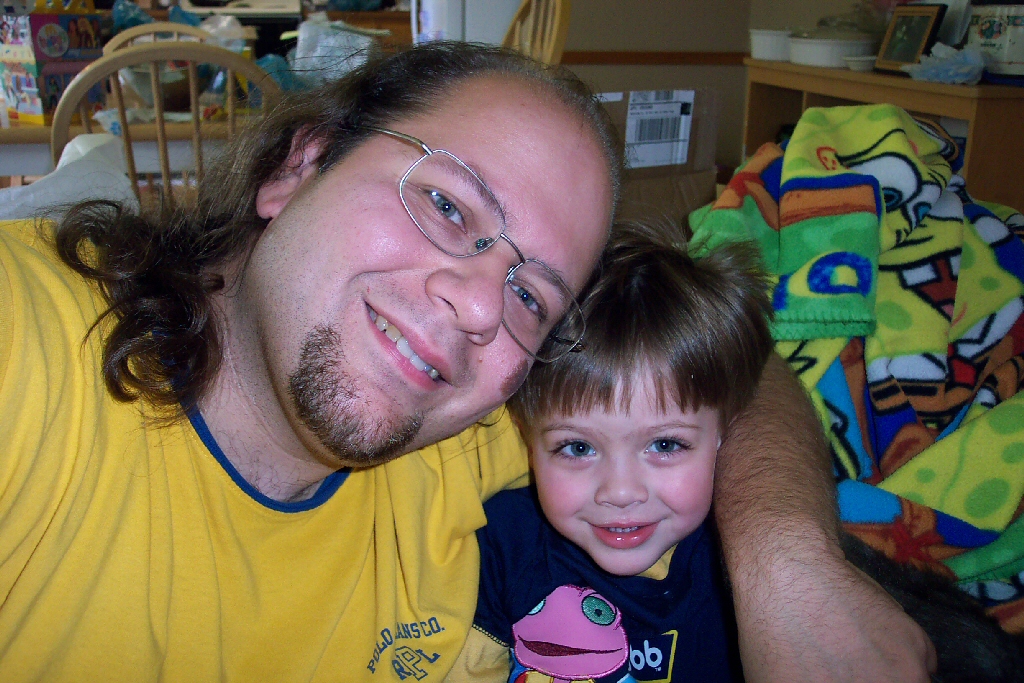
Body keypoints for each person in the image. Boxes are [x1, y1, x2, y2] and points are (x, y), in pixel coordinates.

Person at [0, 42, 934, 682]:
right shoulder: (33, 346)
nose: (484, 306)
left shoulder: (480, 426)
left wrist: (791, 567)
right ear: (300, 166)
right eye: (449, 205)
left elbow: (732, 368)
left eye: (532, 296)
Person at [448, 224, 774, 682]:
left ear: (724, 433)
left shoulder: (747, 561)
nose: (620, 492)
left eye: (665, 444)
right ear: (526, 438)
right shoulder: (501, 547)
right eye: (577, 447)